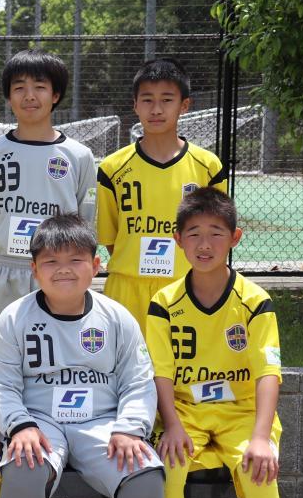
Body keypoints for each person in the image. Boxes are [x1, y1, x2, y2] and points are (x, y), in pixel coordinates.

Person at [0, 213, 163, 498]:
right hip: (40, 420)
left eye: (75, 260)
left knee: (143, 470)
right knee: (22, 466)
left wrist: (129, 427)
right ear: (34, 269)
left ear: (96, 265)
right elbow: (3, 384)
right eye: (50, 261)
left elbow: (139, 380)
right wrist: (19, 425)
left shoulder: (117, 317)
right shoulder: (13, 318)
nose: (63, 269)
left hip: (102, 421)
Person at [148, 187, 301, 498]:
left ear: (235, 238)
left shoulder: (255, 301)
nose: (204, 244)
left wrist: (261, 437)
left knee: (260, 472)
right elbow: (160, 373)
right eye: (194, 233)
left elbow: (268, 372)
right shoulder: (164, 302)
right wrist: (171, 425)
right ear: (178, 240)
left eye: (216, 233)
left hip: (241, 413)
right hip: (186, 411)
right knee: (170, 466)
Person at [0, 48, 98, 498]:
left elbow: (86, 223)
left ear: (56, 95)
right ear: (8, 96)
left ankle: (50, 487)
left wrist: (73, 272)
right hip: (4, 272)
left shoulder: (78, 156)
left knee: (50, 371)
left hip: (58, 275)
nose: (30, 96)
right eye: (19, 87)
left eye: (40, 87)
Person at [95, 57, 227, 333]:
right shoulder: (112, 168)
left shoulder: (208, 167)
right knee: (128, 360)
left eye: (167, 100)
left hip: (186, 285)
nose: (156, 109)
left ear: (184, 105)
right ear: (135, 105)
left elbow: (217, 233)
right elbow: (111, 239)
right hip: (127, 287)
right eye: (147, 100)